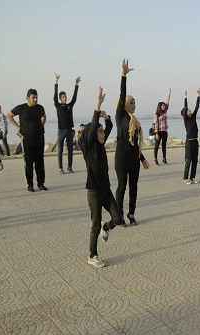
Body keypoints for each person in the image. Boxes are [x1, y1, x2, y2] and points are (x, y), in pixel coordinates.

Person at [83, 87, 123, 268]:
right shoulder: (89, 147)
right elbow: (92, 126)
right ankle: (93, 255)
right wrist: (98, 104)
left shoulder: (100, 145)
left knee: (117, 218)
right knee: (95, 225)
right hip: (93, 191)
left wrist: (106, 119)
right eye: (99, 132)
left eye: (102, 132)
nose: (102, 134)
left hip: (105, 190)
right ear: (92, 134)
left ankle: (107, 229)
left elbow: (110, 126)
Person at [115, 59, 150, 225]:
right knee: (122, 187)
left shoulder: (135, 122)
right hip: (121, 159)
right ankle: (119, 215)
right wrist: (124, 75)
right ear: (125, 105)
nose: (133, 105)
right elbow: (122, 95)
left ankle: (131, 214)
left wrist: (142, 158)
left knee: (134, 188)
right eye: (131, 102)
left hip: (133, 160)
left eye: (135, 102)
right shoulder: (120, 116)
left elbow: (136, 143)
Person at [7, 88, 48, 192]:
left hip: (39, 138)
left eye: (36, 97)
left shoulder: (40, 108)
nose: (35, 100)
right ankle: (30, 185)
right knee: (28, 163)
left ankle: (41, 183)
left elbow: (43, 116)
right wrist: (17, 127)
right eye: (33, 98)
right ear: (27, 98)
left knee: (40, 162)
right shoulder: (21, 108)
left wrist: (42, 125)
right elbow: (9, 115)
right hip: (27, 139)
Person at [54, 73, 81, 174]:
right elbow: (55, 95)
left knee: (70, 150)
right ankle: (60, 167)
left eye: (65, 97)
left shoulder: (70, 105)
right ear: (60, 98)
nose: (65, 98)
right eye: (63, 97)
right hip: (61, 131)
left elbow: (74, 97)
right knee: (60, 151)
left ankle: (69, 167)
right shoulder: (58, 106)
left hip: (70, 130)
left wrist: (76, 84)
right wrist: (56, 81)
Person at [181, 88, 200, 184]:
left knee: (195, 160)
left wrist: (198, 96)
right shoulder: (186, 120)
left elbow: (197, 107)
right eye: (188, 110)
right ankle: (185, 177)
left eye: (189, 110)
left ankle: (192, 177)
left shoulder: (193, 118)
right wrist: (185, 97)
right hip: (189, 141)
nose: (190, 111)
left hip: (195, 141)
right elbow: (185, 107)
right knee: (188, 160)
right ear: (185, 114)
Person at [154, 88, 171, 165]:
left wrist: (169, 94)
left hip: (165, 131)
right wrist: (156, 133)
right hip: (159, 132)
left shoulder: (165, 112)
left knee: (164, 146)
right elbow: (156, 124)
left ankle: (164, 159)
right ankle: (155, 159)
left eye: (164, 105)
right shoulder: (156, 115)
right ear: (160, 106)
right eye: (163, 105)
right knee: (157, 146)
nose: (164, 106)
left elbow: (168, 102)